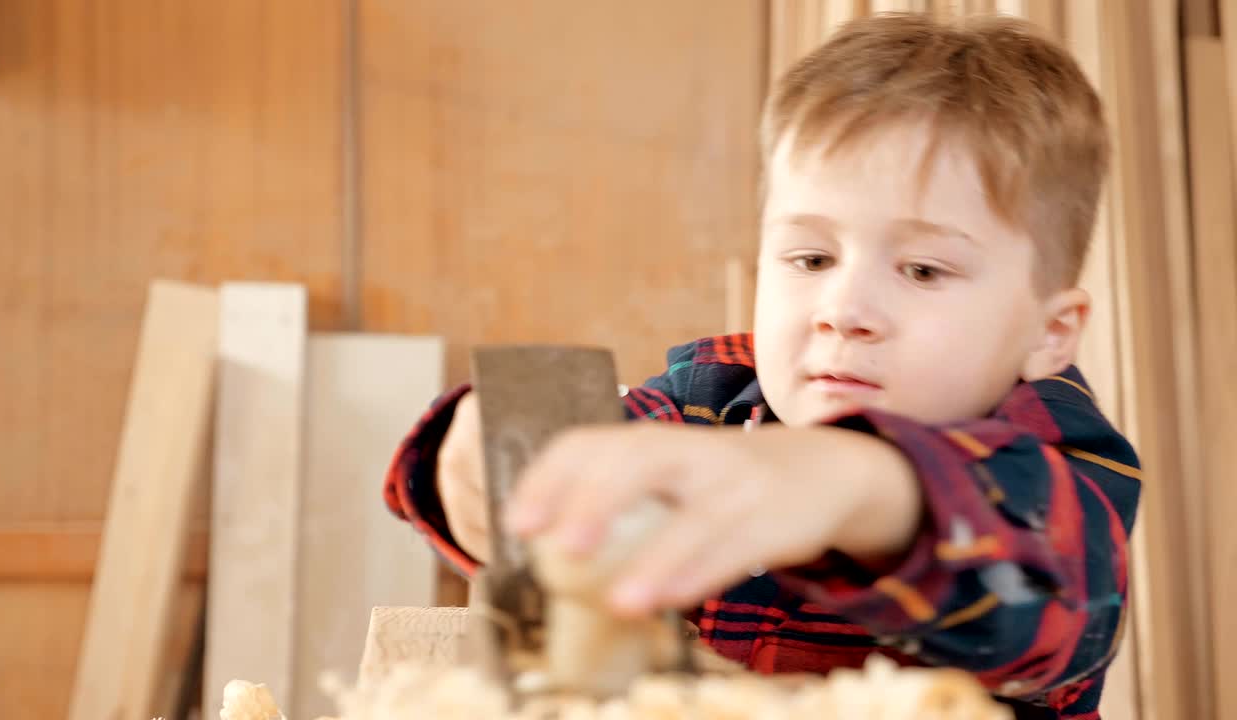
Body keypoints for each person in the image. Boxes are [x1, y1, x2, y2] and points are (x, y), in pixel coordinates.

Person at [383, 12, 1140, 719]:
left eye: (923, 271)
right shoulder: (704, 408)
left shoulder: (1057, 459)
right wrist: (480, 452)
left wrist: (854, 483)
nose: (842, 309)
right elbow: (581, 459)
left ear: (1050, 332)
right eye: (811, 257)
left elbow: (1058, 587)